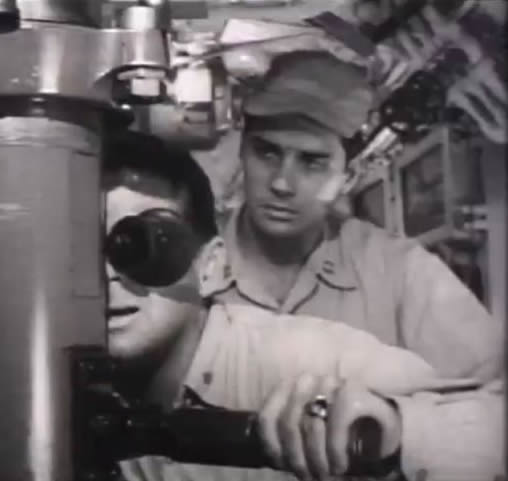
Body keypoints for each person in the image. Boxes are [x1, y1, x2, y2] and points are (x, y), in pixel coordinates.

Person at [102, 130, 505, 481]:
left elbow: (490, 433)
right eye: (85, 249)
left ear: (210, 267)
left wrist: (390, 432)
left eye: (141, 244)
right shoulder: (75, 386)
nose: (106, 274)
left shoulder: (306, 361)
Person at [213, 45, 504, 384]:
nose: (281, 183)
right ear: (242, 153)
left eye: (311, 162)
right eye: (267, 153)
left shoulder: (399, 270)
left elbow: (493, 392)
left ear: (347, 178)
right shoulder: (189, 259)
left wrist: (394, 412)